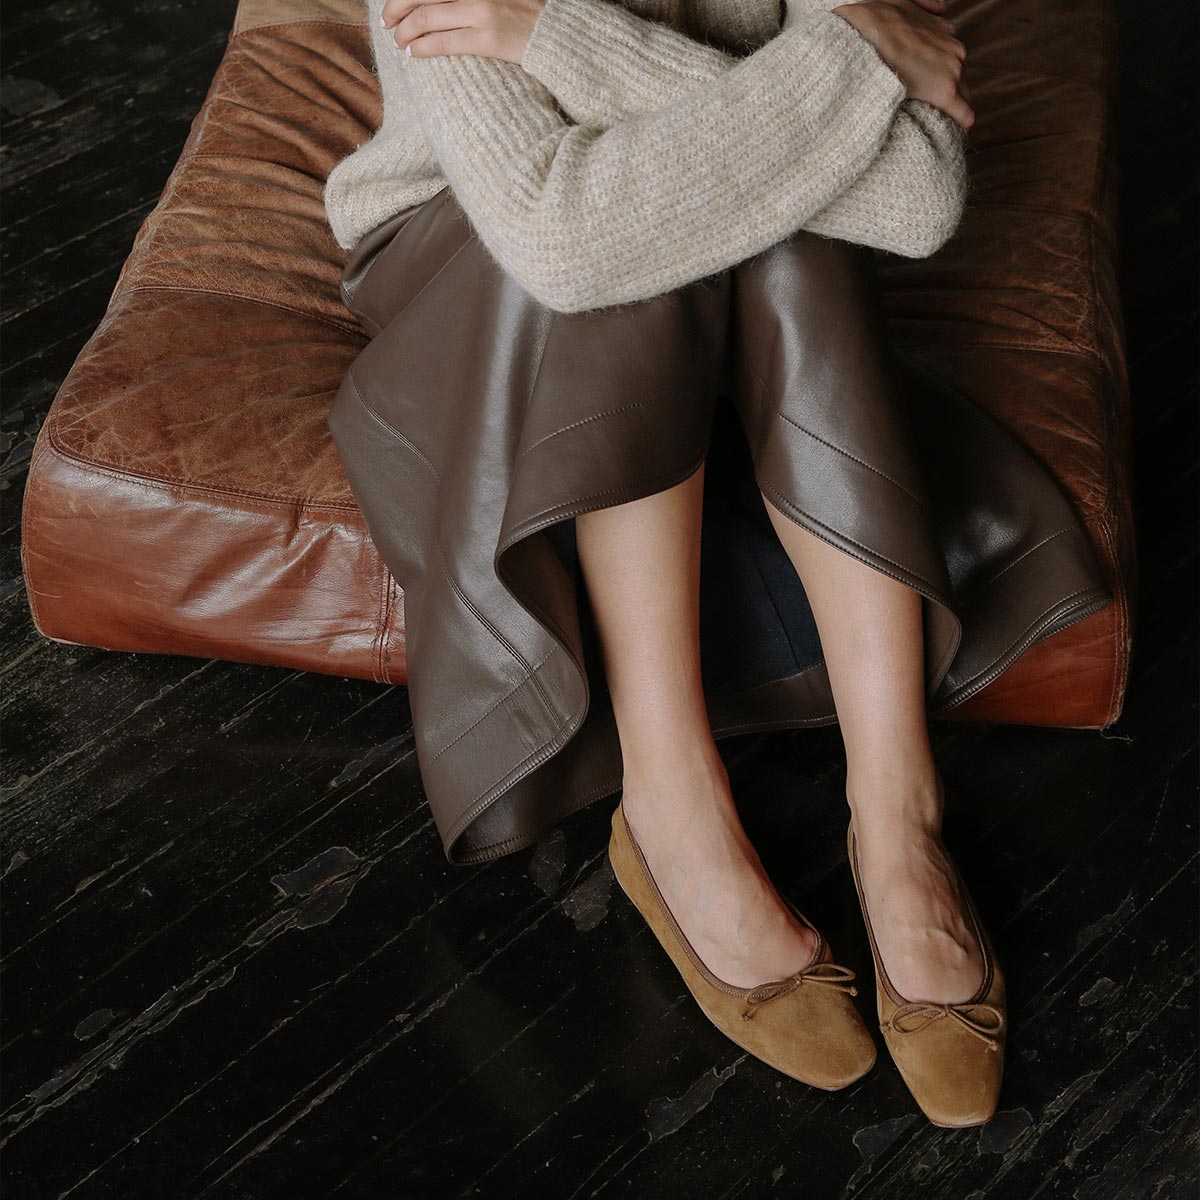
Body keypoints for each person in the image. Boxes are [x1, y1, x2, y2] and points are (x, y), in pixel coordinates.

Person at [322, 0, 1112, 1127]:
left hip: (685, 241)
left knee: (767, 212)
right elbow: (559, 234)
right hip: (465, 265)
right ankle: (672, 804)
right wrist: (853, 62)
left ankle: (897, 815)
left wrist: (555, 36)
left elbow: (920, 199)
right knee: (657, 233)